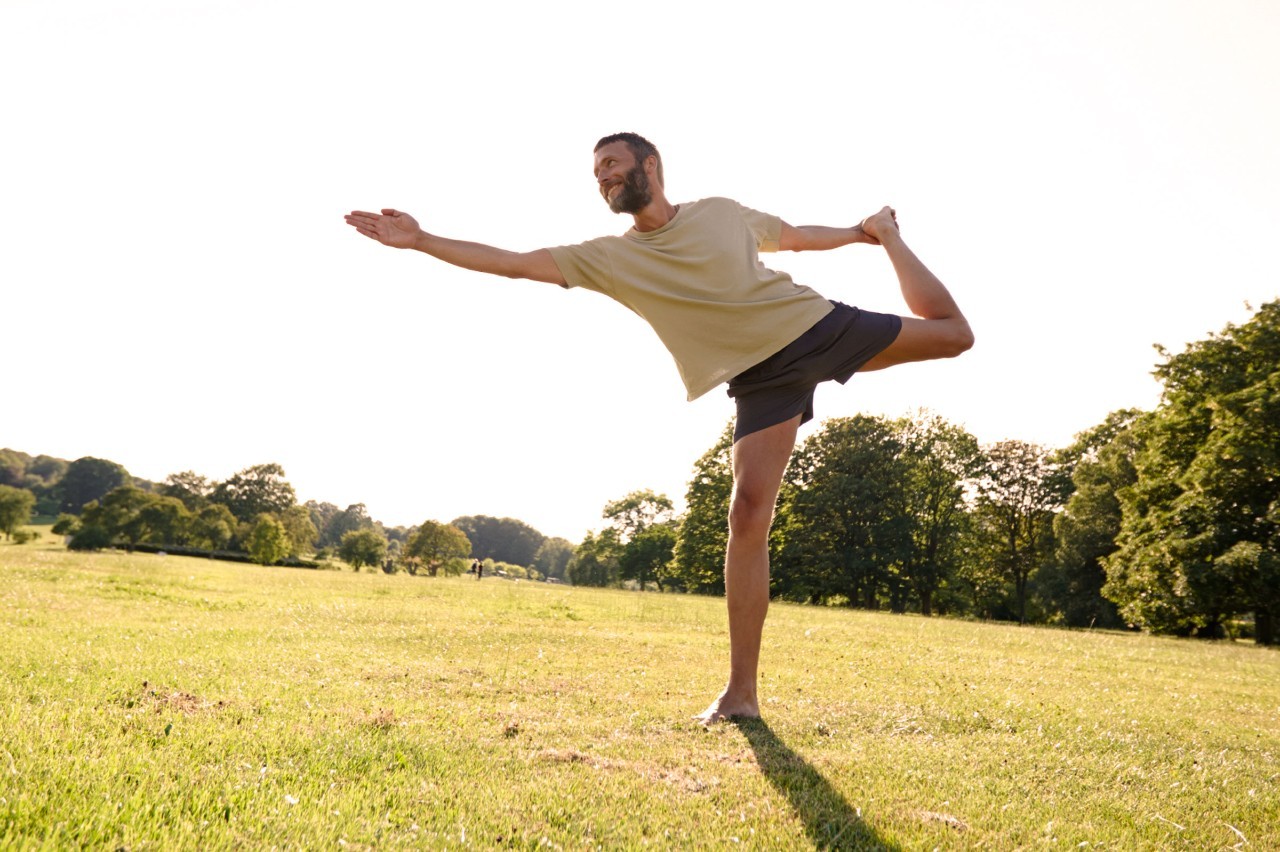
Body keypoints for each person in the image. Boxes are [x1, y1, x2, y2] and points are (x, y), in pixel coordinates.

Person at [345, 132, 973, 724]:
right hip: (760, 379)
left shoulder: (721, 213)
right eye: (597, 174)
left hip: (811, 325)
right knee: (747, 515)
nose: (603, 179)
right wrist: (422, 239)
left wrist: (866, 234)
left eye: (612, 165)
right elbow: (513, 263)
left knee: (954, 336)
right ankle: (741, 695)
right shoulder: (611, 258)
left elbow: (797, 237)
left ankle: (895, 239)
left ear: (651, 167)